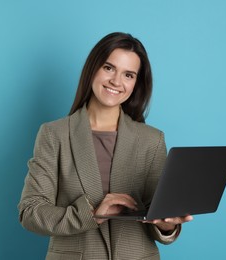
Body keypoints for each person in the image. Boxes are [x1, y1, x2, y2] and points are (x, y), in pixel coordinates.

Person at [18, 32, 193, 260]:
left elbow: (156, 218)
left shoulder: (152, 140)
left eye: (128, 75)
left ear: (136, 84)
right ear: (93, 68)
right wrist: (90, 215)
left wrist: (167, 225)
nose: (116, 81)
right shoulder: (54, 135)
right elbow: (30, 212)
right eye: (109, 68)